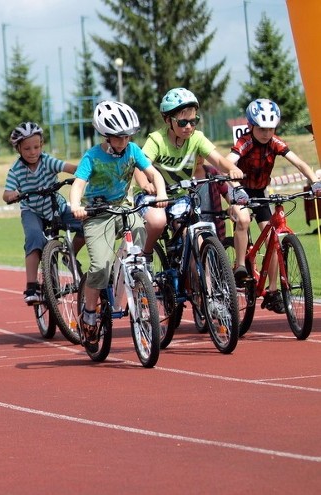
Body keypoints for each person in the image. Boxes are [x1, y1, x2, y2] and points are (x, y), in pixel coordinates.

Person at [69, 101, 168, 348]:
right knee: (100, 266)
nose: (123, 142)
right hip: (98, 213)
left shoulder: (133, 150)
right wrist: (75, 205)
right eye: (118, 138)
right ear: (106, 135)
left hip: (124, 208)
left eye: (127, 137)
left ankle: (140, 278)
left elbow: (153, 173)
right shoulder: (92, 156)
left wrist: (161, 192)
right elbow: (78, 184)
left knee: (140, 232)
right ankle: (90, 313)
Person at [227, 98, 321, 313]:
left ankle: (272, 291)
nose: (266, 133)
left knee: (271, 239)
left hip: (259, 191)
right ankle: (241, 265)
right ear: (251, 126)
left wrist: (314, 181)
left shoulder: (275, 143)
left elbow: (299, 163)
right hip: (239, 190)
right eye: (261, 128)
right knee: (242, 220)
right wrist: (233, 182)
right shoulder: (245, 142)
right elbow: (227, 161)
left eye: (271, 128)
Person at [133, 88, 244, 264]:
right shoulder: (157, 140)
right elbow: (139, 167)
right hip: (152, 196)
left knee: (193, 237)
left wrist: (232, 169)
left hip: (179, 196)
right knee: (158, 221)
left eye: (194, 121)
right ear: (168, 120)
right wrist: (145, 185)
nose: (189, 127)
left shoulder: (197, 138)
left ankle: (204, 284)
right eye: (183, 122)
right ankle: (146, 254)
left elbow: (219, 161)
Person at [1, 121, 83, 304]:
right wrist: (12, 195)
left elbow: (70, 168)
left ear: (42, 145)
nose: (32, 152)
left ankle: (69, 256)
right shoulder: (16, 170)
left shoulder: (47, 161)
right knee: (34, 238)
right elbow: (6, 194)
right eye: (27, 148)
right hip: (32, 210)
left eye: (36, 147)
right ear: (19, 149)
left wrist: (83, 173)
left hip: (56, 206)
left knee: (85, 223)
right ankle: (31, 286)